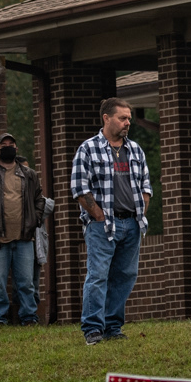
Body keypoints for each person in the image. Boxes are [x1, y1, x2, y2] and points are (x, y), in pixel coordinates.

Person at [72, 98, 152, 345]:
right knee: (98, 276)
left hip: (132, 224)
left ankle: (113, 327)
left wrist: (141, 212)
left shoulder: (135, 150)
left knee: (125, 275)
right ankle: (93, 329)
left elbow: (146, 186)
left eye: (129, 118)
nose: (128, 122)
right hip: (102, 225)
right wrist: (98, 215)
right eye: (122, 118)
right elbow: (79, 188)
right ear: (106, 118)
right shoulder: (88, 149)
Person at [0, 133, 45, 328]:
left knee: (26, 282)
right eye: (3, 145)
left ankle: (29, 317)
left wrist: (35, 219)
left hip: (24, 237)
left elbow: (40, 200)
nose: (7, 147)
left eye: (11, 144)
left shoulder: (29, 174)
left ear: (16, 148)